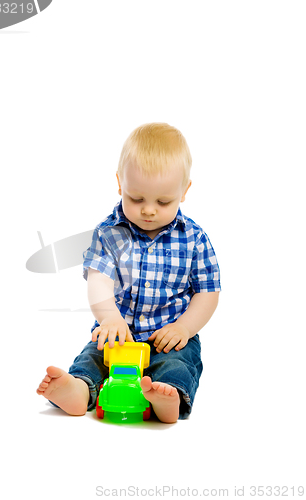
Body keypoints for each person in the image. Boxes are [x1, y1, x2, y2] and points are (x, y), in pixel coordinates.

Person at [37, 123, 221, 423]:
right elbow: (99, 279)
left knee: (179, 363)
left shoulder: (194, 238)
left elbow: (208, 291)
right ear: (120, 183)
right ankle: (79, 389)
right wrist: (109, 317)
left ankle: (166, 397)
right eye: (137, 198)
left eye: (163, 202)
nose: (148, 210)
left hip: (168, 338)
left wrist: (185, 329)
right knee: (93, 358)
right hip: (118, 336)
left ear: (184, 191)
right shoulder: (109, 233)